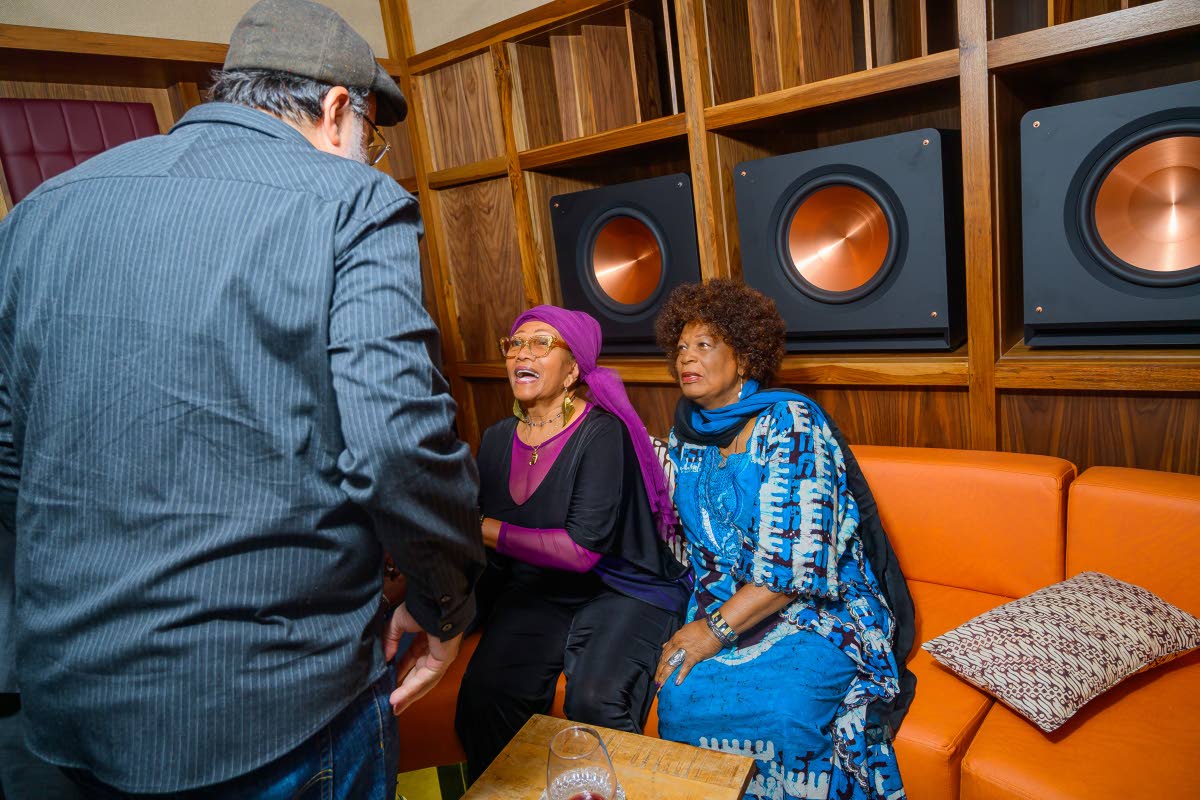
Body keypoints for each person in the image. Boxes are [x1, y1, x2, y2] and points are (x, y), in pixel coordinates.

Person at [0, 1, 484, 797]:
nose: (369, 157)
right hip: (272, 703)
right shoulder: (350, 199)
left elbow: (11, 451)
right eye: (373, 136)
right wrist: (445, 605)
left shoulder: (43, 209)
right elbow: (396, 441)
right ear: (337, 109)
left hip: (66, 702)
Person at [651, 281, 916, 800]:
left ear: (744, 358)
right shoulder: (686, 430)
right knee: (680, 698)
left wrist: (711, 633)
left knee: (783, 709)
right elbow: (691, 538)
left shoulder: (791, 423)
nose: (687, 357)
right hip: (727, 599)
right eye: (681, 347)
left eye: (704, 345)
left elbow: (796, 566)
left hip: (821, 609)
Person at [455, 305, 689, 782]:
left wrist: (475, 525)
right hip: (540, 590)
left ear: (573, 370)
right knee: (485, 694)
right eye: (515, 343)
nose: (522, 352)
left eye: (541, 343)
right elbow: (494, 560)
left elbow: (583, 550)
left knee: (596, 700)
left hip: (622, 588)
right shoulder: (498, 439)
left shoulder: (603, 433)